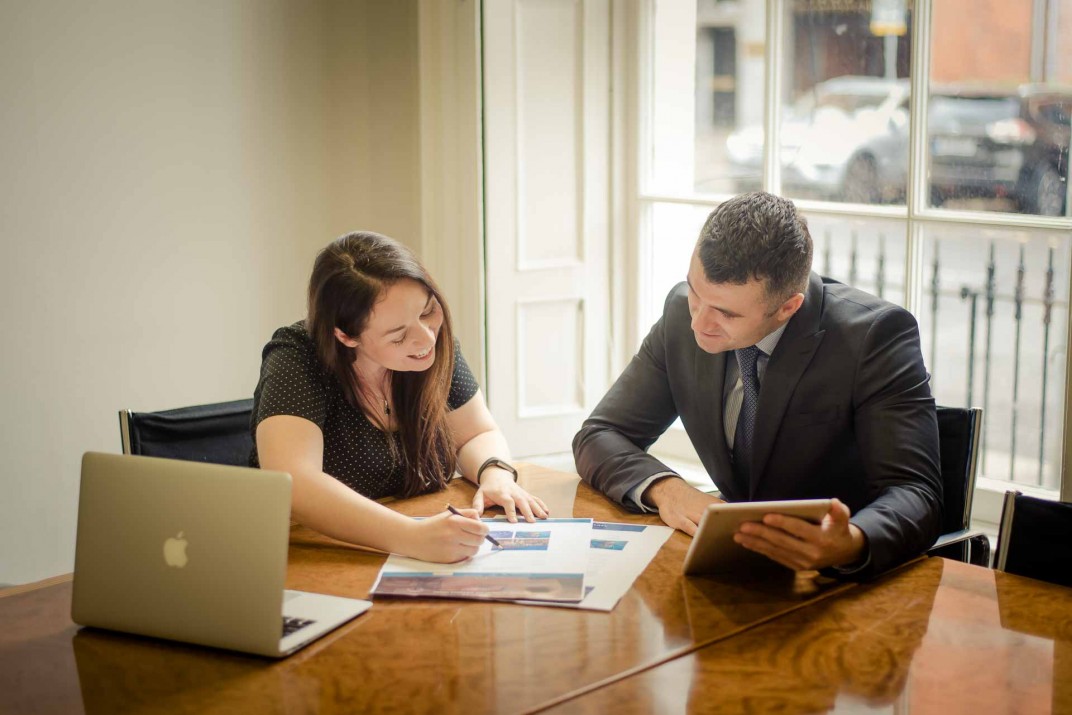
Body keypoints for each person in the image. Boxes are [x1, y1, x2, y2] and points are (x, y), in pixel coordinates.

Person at [573, 192, 941, 578]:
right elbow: (600, 434)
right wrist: (669, 490)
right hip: (731, 566)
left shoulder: (874, 337)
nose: (699, 322)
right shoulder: (683, 312)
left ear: (788, 307)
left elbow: (918, 493)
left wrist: (852, 540)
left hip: (839, 582)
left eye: (726, 313)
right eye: (696, 294)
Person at [252, 231, 548, 564]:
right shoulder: (298, 355)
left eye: (427, 312)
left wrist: (494, 474)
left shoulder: (430, 346)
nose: (425, 339)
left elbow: (476, 433)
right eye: (398, 336)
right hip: (316, 554)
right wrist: (412, 537)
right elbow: (295, 483)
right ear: (346, 336)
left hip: (412, 545)